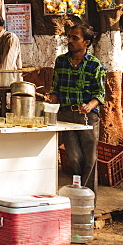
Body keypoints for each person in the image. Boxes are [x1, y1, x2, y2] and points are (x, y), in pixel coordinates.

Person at [49, 23, 106, 191]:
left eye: (75, 38)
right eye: (69, 37)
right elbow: (55, 87)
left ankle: (88, 198)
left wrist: (89, 105)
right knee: (73, 157)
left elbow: (100, 94)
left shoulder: (95, 65)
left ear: (86, 42)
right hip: (66, 114)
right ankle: (79, 191)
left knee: (90, 159)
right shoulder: (61, 61)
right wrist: (52, 96)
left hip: (87, 117)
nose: (70, 40)